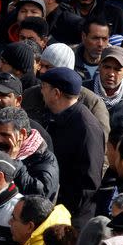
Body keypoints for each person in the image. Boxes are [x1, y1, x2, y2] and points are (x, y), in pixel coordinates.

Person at [40, 67, 104, 228]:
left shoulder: (86, 128)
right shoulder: (56, 118)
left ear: (56, 93)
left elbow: (89, 183)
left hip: (72, 220)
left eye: (44, 87)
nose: (41, 92)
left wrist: (64, 213)